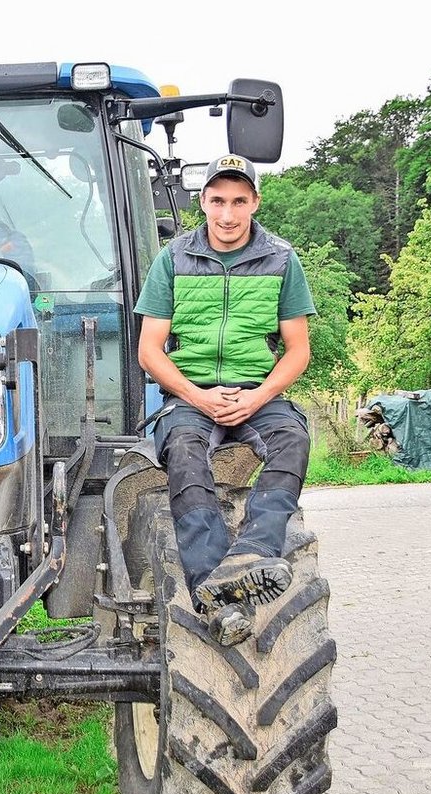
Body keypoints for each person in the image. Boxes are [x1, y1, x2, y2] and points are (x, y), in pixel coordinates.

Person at [134, 154, 315, 647]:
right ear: (203, 203)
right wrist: (197, 396)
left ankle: (253, 552)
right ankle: (215, 594)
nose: (228, 214)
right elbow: (150, 350)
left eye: (239, 201)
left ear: (255, 202)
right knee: (184, 455)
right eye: (218, 201)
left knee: (294, 438)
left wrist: (257, 397)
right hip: (191, 396)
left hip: (257, 391)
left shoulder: (282, 260)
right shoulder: (172, 260)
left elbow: (298, 351)